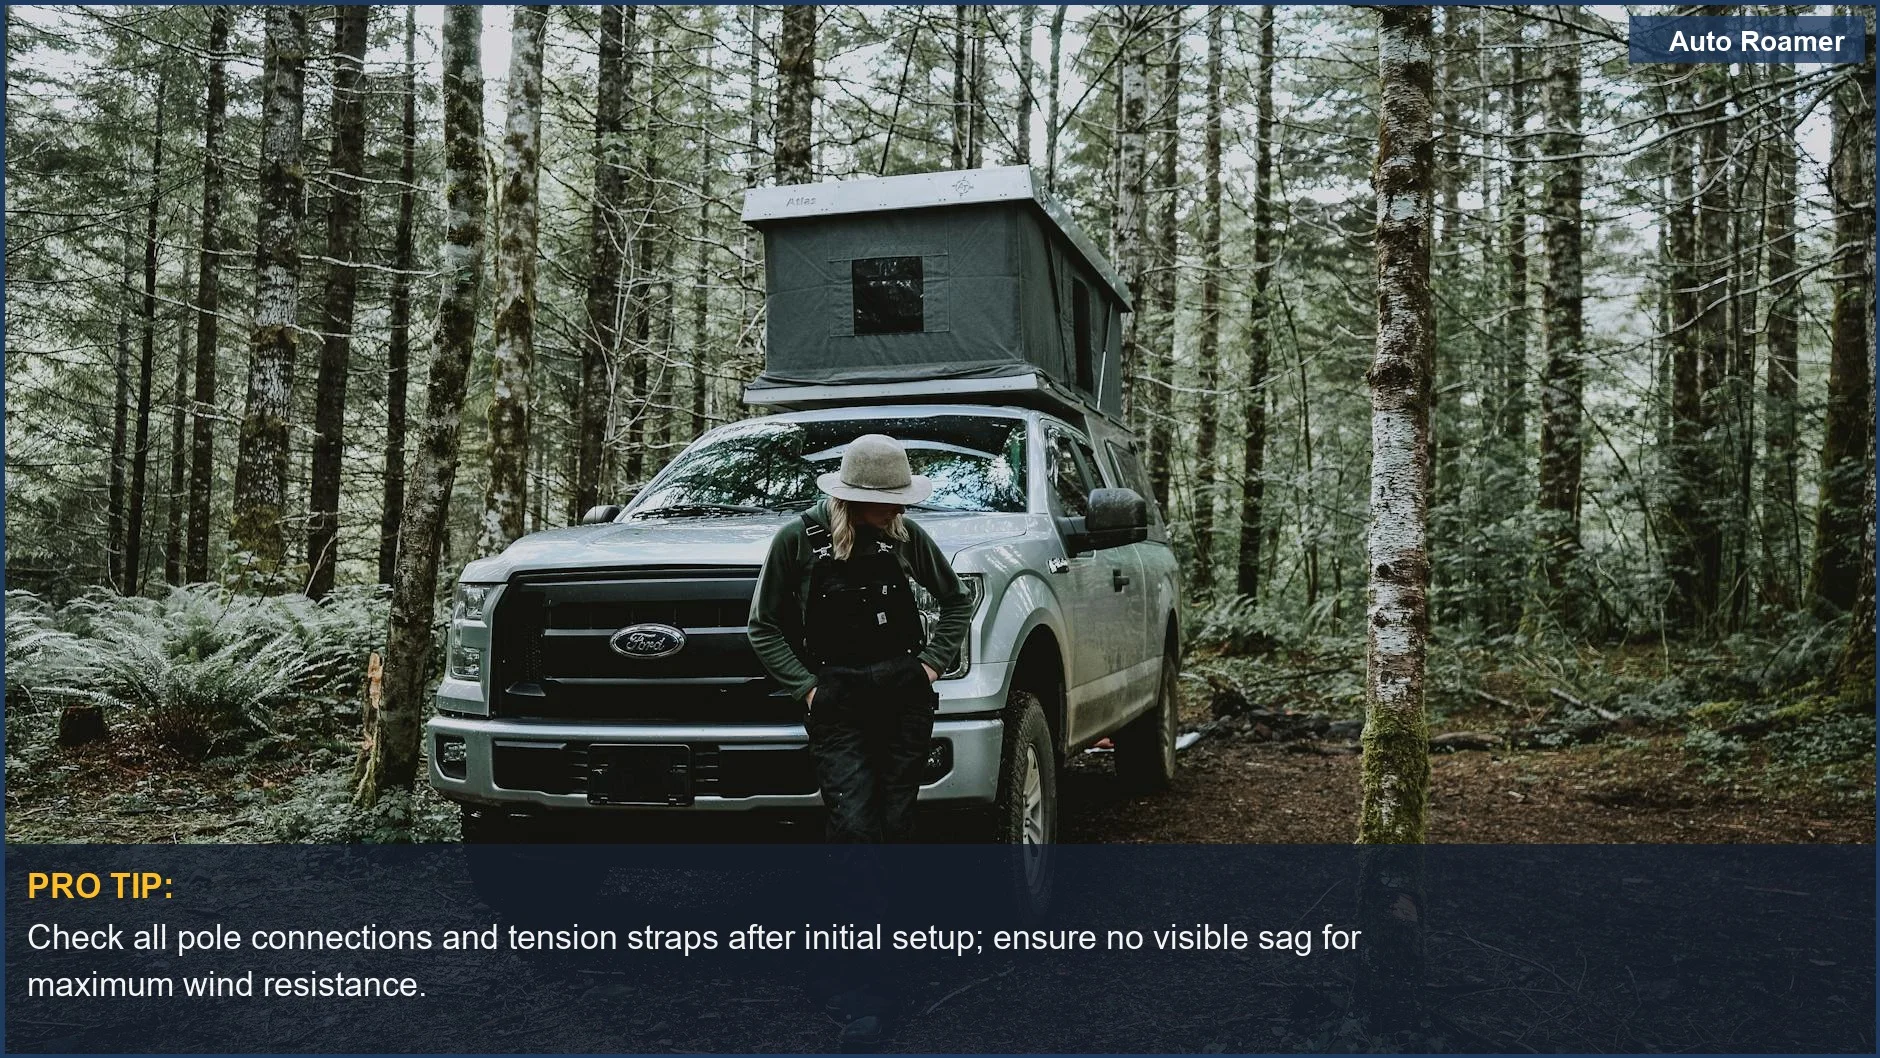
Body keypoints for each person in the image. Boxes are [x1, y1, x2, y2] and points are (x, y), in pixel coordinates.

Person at [747, 433, 973, 1048]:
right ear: (852, 497)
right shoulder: (798, 540)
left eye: (901, 500)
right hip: (838, 704)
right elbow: (763, 627)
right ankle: (862, 986)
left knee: (894, 828)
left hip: (903, 702)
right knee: (854, 829)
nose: (899, 509)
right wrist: (807, 689)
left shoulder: (906, 538)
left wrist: (930, 664)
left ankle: (873, 968)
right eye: (888, 501)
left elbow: (956, 601)